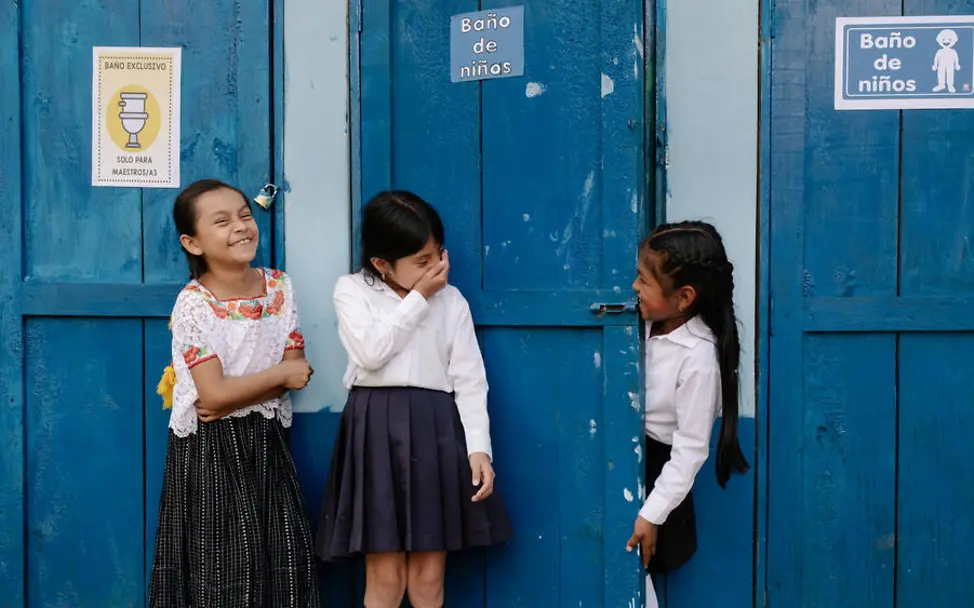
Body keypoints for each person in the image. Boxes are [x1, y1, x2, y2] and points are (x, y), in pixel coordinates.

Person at [316, 190, 512, 608]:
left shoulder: (452, 301)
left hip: (435, 430)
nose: (436, 268)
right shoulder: (352, 291)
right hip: (373, 429)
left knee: (428, 578)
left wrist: (479, 447)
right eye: (422, 263)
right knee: (385, 578)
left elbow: (470, 379)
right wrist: (419, 299)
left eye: (437, 254)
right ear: (381, 263)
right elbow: (370, 352)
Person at [149, 178, 320, 608]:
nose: (241, 227)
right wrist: (272, 376)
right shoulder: (194, 303)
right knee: (222, 572)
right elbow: (214, 395)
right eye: (222, 221)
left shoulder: (279, 287)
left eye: (245, 215)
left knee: (285, 561)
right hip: (209, 453)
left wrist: (232, 394)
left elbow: (293, 373)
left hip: (269, 447)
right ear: (192, 242)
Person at [625, 221, 749, 607]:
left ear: (683, 297)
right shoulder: (636, 326)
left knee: (632, 570)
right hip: (626, 460)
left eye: (644, 281)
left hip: (659, 476)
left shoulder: (698, 356)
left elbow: (691, 450)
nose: (634, 287)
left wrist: (653, 514)